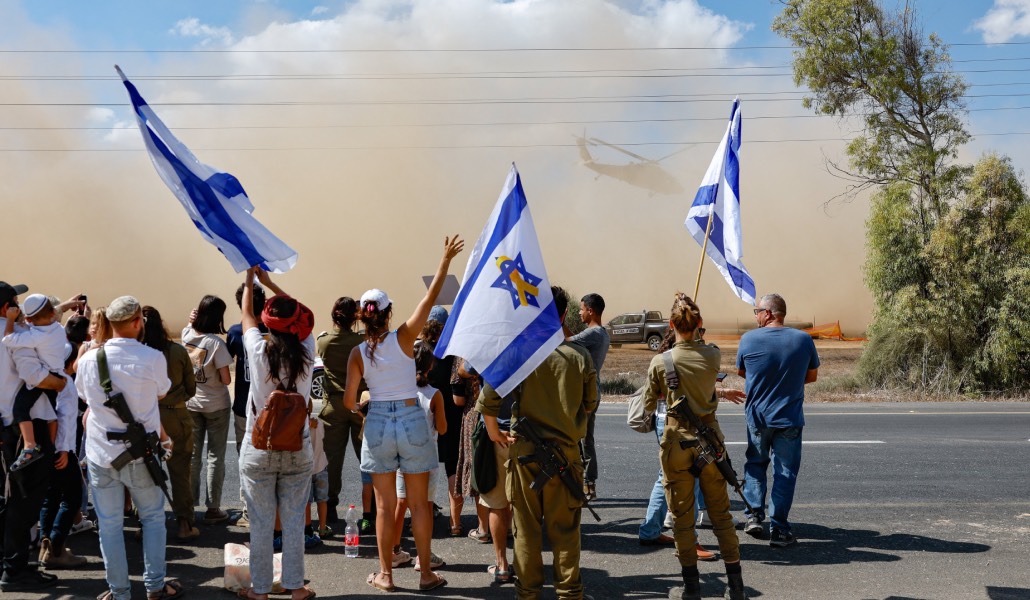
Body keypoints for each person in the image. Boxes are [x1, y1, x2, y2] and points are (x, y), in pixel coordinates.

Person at [344, 235, 463, 594]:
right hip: (412, 420)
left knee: (383, 506)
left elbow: (349, 401)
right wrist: (444, 261)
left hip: (378, 419)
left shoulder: (357, 353)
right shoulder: (405, 337)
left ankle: (385, 574)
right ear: (388, 313)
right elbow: (430, 299)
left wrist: (368, 406)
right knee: (419, 504)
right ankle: (426, 574)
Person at [478, 286, 599, 600]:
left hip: (526, 456)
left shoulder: (521, 352)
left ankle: (528, 593)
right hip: (566, 456)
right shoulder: (580, 356)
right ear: (562, 316)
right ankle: (569, 593)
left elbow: (488, 398)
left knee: (526, 532)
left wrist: (494, 433)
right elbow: (589, 405)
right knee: (566, 532)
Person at [76, 296, 185, 600]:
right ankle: (154, 585)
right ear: (138, 322)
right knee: (152, 519)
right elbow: (162, 391)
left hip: (101, 455)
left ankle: (119, 591)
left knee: (109, 527)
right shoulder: (152, 358)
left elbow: (84, 397)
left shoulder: (87, 360)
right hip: (141, 455)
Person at [642, 293, 747, 600]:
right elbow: (703, 353)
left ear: (671, 324)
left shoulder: (660, 362)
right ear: (700, 324)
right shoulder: (712, 355)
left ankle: (691, 588)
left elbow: (649, 403)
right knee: (722, 517)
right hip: (710, 445)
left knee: (682, 519)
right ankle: (737, 587)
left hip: (676, 445)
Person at [238, 268, 317, 600]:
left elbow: (245, 314)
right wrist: (269, 282)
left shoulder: (257, 349)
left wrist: (250, 280)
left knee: (260, 522)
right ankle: (295, 587)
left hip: (259, 446)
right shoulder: (308, 348)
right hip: (298, 446)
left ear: (267, 323)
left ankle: (259, 591)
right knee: (295, 520)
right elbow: (299, 317)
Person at [0, 282, 70, 592]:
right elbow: (34, 375)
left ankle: (11, 565)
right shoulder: (19, 338)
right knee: (23, 503)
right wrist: (58, 383)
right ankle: (14, 571)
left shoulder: (17, 331)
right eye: (15, 300)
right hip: (28, 428)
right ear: (6, 307)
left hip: (6, 425)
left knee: (10, 499)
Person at [736, 293, 820, 548]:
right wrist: (789, 381)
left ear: (769, 313)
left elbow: (743, 372)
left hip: (758, 417)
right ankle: (780, 529)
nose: (756, 316)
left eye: (757, 311)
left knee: (755, 465)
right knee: (785, 473)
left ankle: (753, 517)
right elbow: (812, 376)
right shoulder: (803, 339)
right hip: (789, 418)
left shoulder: (748, 339)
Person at [638, 331, 719, 562]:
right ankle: (690, 541)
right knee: (691, 479)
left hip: (665, 422)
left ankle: (650, 531)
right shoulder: (703, 355)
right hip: (683, 426)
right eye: (700, 331)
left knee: (664, 476)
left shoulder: (664, 359)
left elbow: (648, 401)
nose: (703, 336)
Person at [141, 305, 199, 540]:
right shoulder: (177, 352)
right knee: (180, 473)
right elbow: (191, 389)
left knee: (146, 475)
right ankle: (184, 524)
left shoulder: (139, 354)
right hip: (176, 417)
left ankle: (146, 526)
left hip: (146, 419)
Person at [2, 294, 76, 473]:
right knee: (54, 413)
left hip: (45, 378)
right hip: (56, 374)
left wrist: (11, 321)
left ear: (27, 318)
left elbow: (7, 339)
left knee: (20, 409)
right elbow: (50, 314)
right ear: (52, 312)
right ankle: (53, 448)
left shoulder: (33, 336)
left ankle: (30, 446)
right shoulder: (57, 328)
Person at [315, 296, 368, 524]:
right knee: (368, 461)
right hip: (360, 405)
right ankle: (372, 511)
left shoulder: (324, 341)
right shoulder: (363, 341)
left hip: (334, 406)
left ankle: (329, 510)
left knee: (331, 462)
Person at [182, 294, 233, 525]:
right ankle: (213, 509)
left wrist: (191, 320)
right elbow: (226, 380)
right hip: (216, 406)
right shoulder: (216, 344)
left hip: (191, 403)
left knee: (193, 456)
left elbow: (188, 328)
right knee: (215, 457)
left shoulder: (187, 335)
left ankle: (190, 507)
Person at [568, 293, 609, 501]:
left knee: (583, 439)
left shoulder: (593, 334)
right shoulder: (600, 333)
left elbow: (565, 342)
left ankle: (587, 483)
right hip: (591, 393)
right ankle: (587, 482)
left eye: (582, 309)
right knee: (585, 438)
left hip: (587, 396)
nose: (580, 312)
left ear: (591, 310)